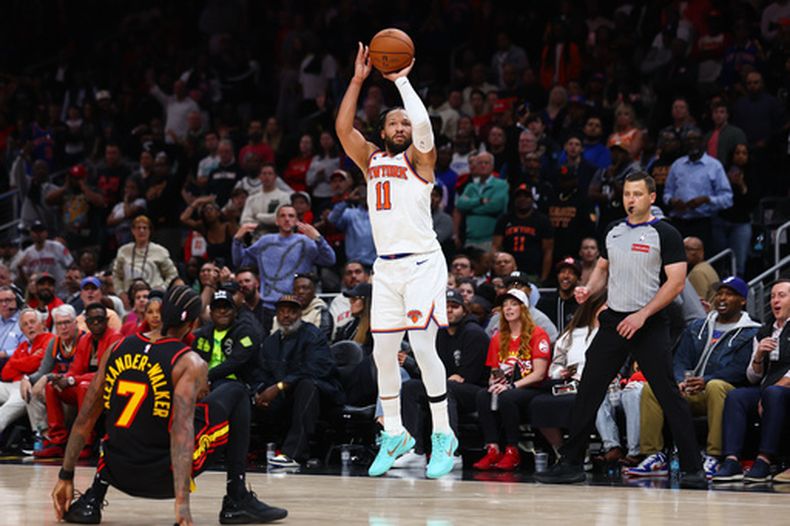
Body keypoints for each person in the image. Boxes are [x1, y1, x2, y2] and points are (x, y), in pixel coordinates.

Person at [51, 286, 287, 524]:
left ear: (161, 314)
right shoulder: (189, 362)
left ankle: (93, 499)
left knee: (121, 423)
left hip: (116, 470)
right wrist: (182, 505)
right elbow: (181, 432)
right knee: (236, 392)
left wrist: (66, 475)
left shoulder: (116, 348)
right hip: (162, 478)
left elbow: (84, 419)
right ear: (193, 324)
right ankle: (237, 499)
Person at [535, 172, 707, 488]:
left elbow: (677, 282)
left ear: (652, 198)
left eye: (638, 194)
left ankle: (693, 468)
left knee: (668, 393)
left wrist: (642, 316)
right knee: (588, 389)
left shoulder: (665, 233)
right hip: (615, 319)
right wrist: (589, 289)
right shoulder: (613, 230)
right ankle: (571, 463)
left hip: (650, 322)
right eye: (627, 193)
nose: (631, 199)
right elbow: (602, 266)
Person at [335, 43, 457, 478]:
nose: (403, 125)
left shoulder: (421, 161)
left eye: (405, 121)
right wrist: (357, 80)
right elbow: (342, 127)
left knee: (422, 346)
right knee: (383, 352)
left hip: (423, 262)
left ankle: (443, 434)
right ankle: (396, 434)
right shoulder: (370, 160)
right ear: (383, 130)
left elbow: (425, 128)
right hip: (385, 267)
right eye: (394, 121)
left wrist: (401, 80)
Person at [627, 276, 758, 479]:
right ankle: (654, 456)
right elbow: (680, 359)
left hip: (724, 393)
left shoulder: (751, 332)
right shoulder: (698, 326)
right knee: (652, 388)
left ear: (742, 301)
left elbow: (739, 369)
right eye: (720, 293)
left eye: (729, 294)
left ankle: (714, 456)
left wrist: (705, 380)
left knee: (716, 386)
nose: (722, 298)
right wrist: (680, 380)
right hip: (691, 390)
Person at [400, 289, 490, 467]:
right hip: (447, 384)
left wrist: (446, 378)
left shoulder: (474, 333)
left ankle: (451, 453)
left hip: (476, 392)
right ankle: (416, 451)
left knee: (445, 388)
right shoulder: (438, 334)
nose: (449, 310)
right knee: (411, 387)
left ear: (464, 310)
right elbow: (431, 369)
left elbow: (466, 376)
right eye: (445, 307)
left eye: (454, 307)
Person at [712, 279, 790, 484]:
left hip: (782, 391)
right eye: (772, 296)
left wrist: (768, 394)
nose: (775, 300)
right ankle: (731, 460)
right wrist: (758, 356)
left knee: (773, 394)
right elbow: (752, 376)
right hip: (768, 390)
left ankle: (764, 460)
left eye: (781, 295)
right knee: (736, 396)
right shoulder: (764, 331)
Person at [252, 294, 342, 468]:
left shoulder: (312, 335)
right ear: (276, 315)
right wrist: (260, 391)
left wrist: (279, 386)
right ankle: (248, 453)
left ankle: (293, 454)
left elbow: (317, 369)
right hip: (287, 398)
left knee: (306, 385)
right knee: (250, 394)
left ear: (300, 314)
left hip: (321, 395)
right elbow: (261, 372)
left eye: (291, 312)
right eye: (282, 311)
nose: (286, 316)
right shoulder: (271, 342)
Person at [472, 288, 551, 471]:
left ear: (524, 309)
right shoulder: (498, 337)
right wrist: (496, 383)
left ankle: (512, 451)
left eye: (514, 304)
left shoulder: (538, 334)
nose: (508, 308)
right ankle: (492, 449)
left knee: (508, 397)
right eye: (505, 305)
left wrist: (511, 386)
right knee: (483, 395)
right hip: (509, 386)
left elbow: (539, 374)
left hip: (532, 387)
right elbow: (495, 371)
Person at [232, 204, 336, 334]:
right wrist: (237, 239)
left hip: (297, 306)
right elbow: (240, 261)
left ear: (296, 221)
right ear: (276, 221)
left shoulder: (305, 242)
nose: (287, 219)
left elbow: (330, 260)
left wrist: (318, 239)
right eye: (282, 216)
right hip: (269, 306)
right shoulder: (265, 241)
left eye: (291, 216)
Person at [37, 302, 123, 459]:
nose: (96, 323)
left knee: (84, 387)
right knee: (51, 387)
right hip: (85, 384)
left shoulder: (115, 338)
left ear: (106, 320)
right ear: (87, 322)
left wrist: (71, 380)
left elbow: (104, 373)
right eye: (92, 320)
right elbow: (75, 369)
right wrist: (62, 378)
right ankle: (58, 441)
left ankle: (85, 443)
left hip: (108, 388)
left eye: (100, 319)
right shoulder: (86, 339)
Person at [663, 127, 733, 249]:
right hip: (679, 221)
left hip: (703, 223)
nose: (691, 143)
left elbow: (727, 198)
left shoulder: (714, 166)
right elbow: (667, 193)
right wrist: (672, 201)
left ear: (702, 142)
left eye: (695, 139)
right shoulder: (677, 165)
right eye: (688, 140)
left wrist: (706, 199)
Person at [0, 309, 53, 442]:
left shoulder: (50, 340)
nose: (29, 326)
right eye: (25, 324)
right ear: (22, 330)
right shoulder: (23, 345)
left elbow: (37, 364)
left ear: (42, 324)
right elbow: (5, 373)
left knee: (5, 410)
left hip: (30, 386)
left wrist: (16, 363)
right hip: (13, 384)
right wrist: (26, 364)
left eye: (32, 322)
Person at [192, 289, 262, 389]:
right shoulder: (203, 334)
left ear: (235, 312)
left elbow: (236, 362)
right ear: (211, 314)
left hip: (235, 382)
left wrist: (206, 377)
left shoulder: (245, 333)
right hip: (204, 380)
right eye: (217, 308)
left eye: (226, 307)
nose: (222, 311)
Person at [492, 183, 554, 283]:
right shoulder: (504, 219)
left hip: (532, 272)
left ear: (532, 199)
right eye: (519, 196)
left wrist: (544, 277)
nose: (523, 199)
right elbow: (496, 246)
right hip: (508, 271)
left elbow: (548, 250)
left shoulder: (542, 220)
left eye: (526, 196)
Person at [112, 216, 179, 305]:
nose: (141, 231)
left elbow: (172, 274)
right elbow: (116, 275)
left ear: (149, 231)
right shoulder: (123, 251)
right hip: (128, 299)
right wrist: (120, 292)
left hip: (153, 297)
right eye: (138, 228)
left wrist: (163, 287)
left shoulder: (160, 251)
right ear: (133, 231)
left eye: (145, 228)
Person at [454, 152, 509, 251]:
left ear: (492, 166)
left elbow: (495, 206)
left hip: (490, 240)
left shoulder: (501, 185)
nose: (483, 166)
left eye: (486, 163)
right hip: (469, 240)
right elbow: (460, 205)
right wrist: (480, 201)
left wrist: (470, 209)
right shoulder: (470, 187)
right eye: (480, 163)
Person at [271, 273, 332, 340]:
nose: (300, 292)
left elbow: (322, 339)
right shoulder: (283, 314)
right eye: (296, 289)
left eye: (305, 288)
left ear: (314, 291)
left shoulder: (321, 312)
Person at [537, 257, 581, 333]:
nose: (566, 276)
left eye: (571, 273)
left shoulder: (582, 305)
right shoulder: (545, 302)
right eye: (562, 272)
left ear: (578, 278)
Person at [328, 261, 370, 340]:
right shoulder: (338, 301)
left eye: (358, 272)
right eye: (349, 273)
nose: (353, 276)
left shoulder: (376, 300)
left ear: (366, 276)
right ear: (343, 279)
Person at [684, 236, 720, 305]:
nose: (685, 252)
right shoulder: (706, 266)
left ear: (701, 251)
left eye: (689, 249)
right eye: (683, 248)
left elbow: (697, 304)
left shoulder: (697, 272)